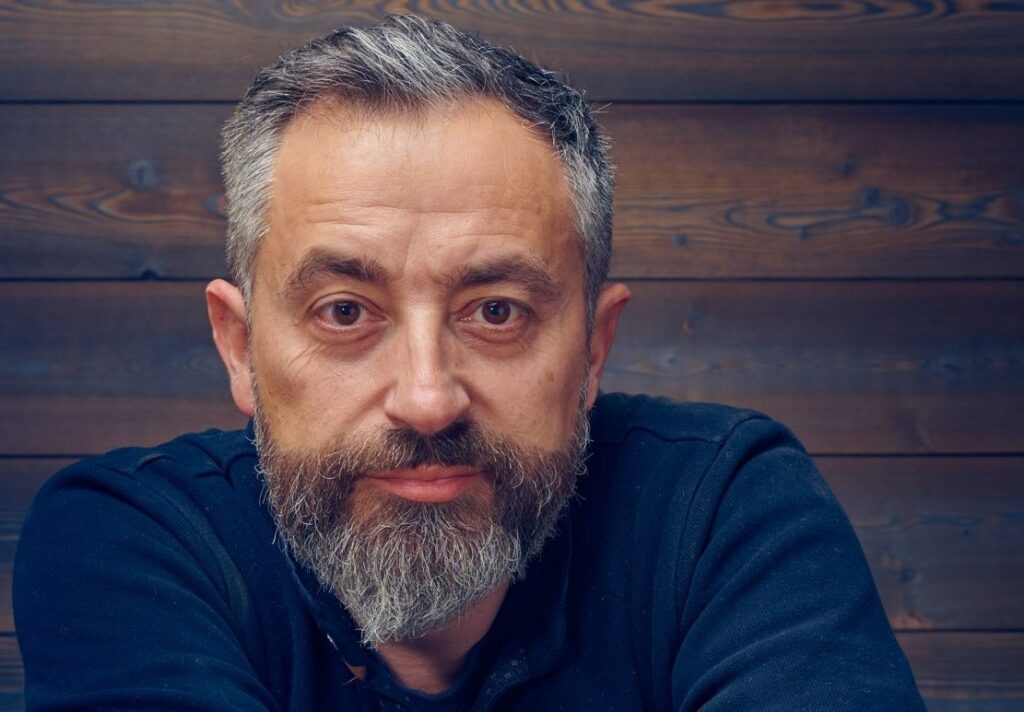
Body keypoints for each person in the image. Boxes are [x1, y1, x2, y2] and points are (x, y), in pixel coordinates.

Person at [13, 15, 926, 711]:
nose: (426, 399)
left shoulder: (723, 508)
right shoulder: (127, 544)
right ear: (240, 346)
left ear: (593, 349)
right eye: (345, 312)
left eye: (496, 313)